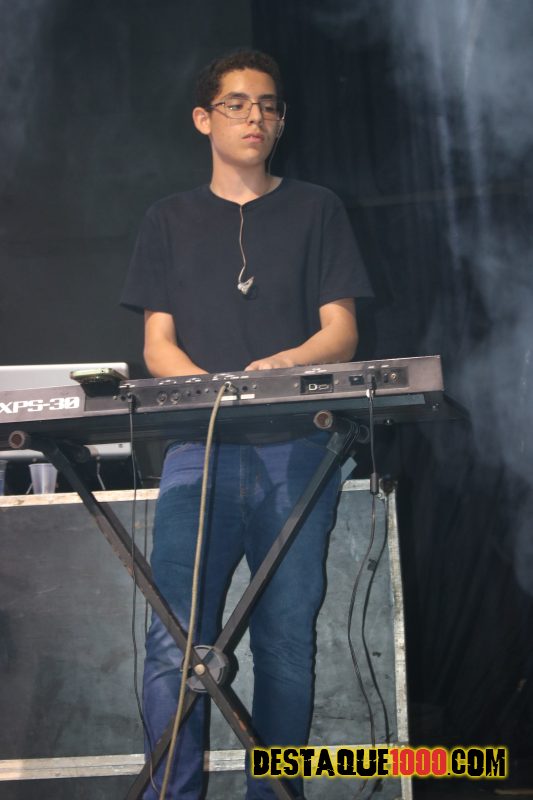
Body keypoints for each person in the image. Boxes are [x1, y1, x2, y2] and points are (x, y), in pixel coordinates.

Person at [121, 49, 371, 800]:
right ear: (204, 119)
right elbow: (157, 345)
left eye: (268, 105)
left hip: (299, 451)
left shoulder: (317, 207)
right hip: (199, 453)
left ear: (280, 120)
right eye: (236, 104)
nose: (254, 117)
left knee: (286, 645)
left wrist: (281, 366)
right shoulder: (167, 219)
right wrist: (214, 390)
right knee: (174, 643)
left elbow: (341, 332)